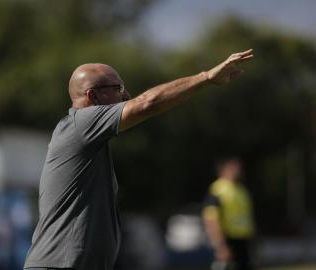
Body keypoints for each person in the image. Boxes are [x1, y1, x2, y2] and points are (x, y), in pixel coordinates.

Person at [24, 49, 254, 270]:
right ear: (91, 96)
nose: (126, 95)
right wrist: (206, 78)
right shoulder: (81, 123)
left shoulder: (87, 137)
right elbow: (147, 103)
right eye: (118, 88)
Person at [202, 158, 255, 270]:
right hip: (227, 239)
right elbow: (211, 219)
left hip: (243, 240)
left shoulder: (241, 190)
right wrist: (220, 246)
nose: (238, 171)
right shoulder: (218, 189)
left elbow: (248, 217)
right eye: (234, 168)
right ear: (225, 169)